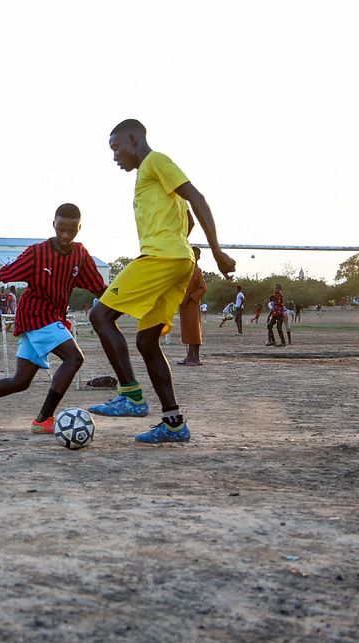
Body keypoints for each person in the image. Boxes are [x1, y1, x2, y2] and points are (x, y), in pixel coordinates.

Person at [89, 119, 235, 443]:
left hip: (162, 257)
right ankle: (173, 423)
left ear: (133, 139)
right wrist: (182, 243)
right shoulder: (149, 176)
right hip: (178, 260)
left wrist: (217, 251)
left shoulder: (155, 161)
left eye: (116, 148)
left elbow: (198, 198)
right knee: (146, 341)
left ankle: (130, 395)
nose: (115, 157)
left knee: (99, 314)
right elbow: (189, 219)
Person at [0, 203, 106, 433]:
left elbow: (99, 288)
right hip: (36, 314)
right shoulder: (37, 253)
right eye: (60, 228)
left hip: (50, 317)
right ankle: (43, 419)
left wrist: (129, 301)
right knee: (74, 358)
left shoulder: (80, 254)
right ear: (53, 225)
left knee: (20, 381)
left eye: (71, 230)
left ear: (79, 228)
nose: (65, 235)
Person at [177, 247, 207, 366]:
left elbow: (203, 288)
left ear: (198, 257)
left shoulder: (197, 271)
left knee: (194, 331)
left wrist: (191, 298)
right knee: (188, 330)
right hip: (184, 305)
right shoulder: (185, 271)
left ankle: (195, 358)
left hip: (192, 305)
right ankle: (190, 356)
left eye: (195, 255)